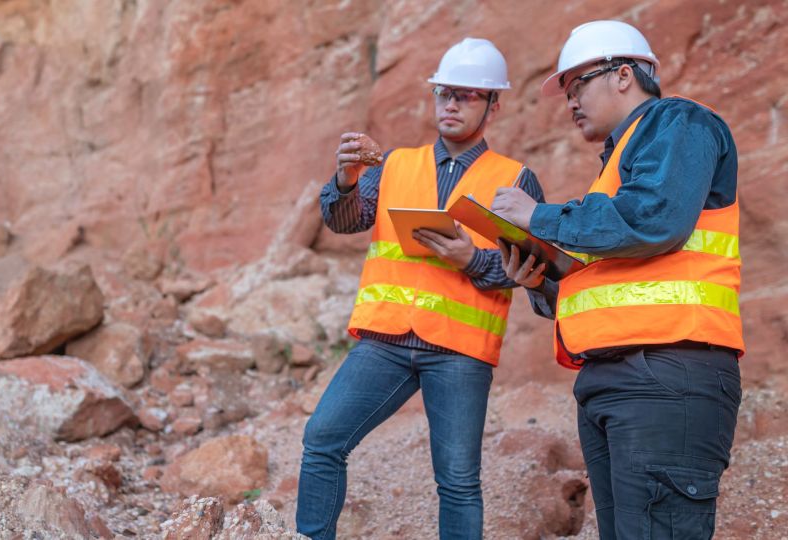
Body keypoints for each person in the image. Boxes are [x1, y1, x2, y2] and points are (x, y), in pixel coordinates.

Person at [491, 20, 744, 540]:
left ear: (624, 74)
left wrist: (538, 217)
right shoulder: (618, 166)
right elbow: (613, 278)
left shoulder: (679, 122)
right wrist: (541, 277)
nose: (570, 101)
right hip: (618, 379)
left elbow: (653, 220)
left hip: (669, 373)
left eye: (577, 83)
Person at [297, 38, 545, 540]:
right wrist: (346, 180)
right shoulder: (394, 165)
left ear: (493, 104)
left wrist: (472, 259)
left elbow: (530, 268)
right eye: (444, 92)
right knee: (322, 440)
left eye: (468, 95)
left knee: (457, 482)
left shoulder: (514, 180)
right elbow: (345, 221)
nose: (451, 103)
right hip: (385, 342)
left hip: (459, 351)